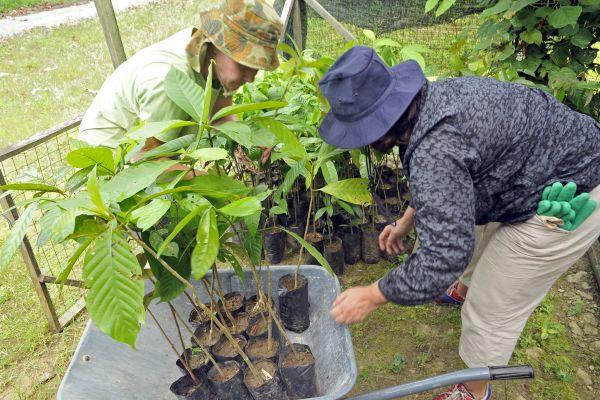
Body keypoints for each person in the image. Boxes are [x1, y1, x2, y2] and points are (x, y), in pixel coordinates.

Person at [318, 46, 600, 400]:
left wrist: (372, 295)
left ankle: (473, 390)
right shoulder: (434, 100)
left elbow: (444, 255)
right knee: (474, 229)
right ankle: (463, 288)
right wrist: (408, 220)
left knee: (492, 305)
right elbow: (452, 184)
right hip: (542, 162)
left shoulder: (436, 149)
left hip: (574, 195)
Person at [78, 0, 282, 169]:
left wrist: (250, 137)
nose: (250, 77)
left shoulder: (210, 59)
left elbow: (221, 112)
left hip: (148, 153)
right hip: (107, 158)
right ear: (219, 45)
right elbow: (148, 160)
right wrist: (214, 185)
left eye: (256, 67)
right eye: (245, 64)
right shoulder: (169, 79)